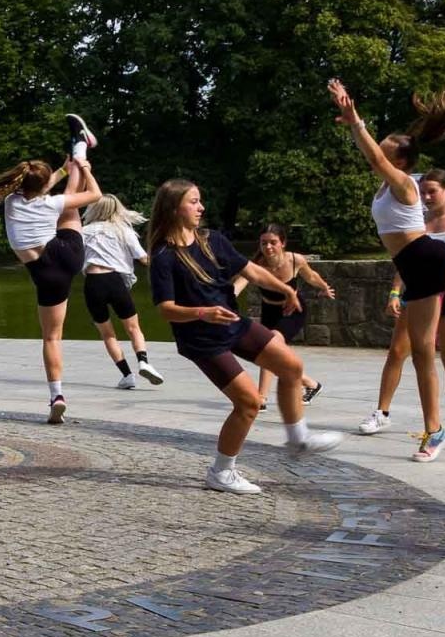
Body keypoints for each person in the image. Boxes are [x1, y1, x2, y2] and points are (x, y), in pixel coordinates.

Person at [147, 179, 342, 494]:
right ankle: (221, 472)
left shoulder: (213, 240)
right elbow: (166, 310)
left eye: (200, 200)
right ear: (173, 208)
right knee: (249, 403)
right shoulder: (163, 257)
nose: (201, 207)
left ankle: (298, 439)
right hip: (202, 340)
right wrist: (202, 312)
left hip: (233, 323)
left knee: (291, 366)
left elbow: (252, 271)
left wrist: (286, 289)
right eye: (193, 202)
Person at [330, 79, 445, 460]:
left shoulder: (404, 184)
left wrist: (356, 122)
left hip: (429, 258)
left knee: (427, 352)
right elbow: (374, 158)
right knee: (421, 353)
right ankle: (436, 430)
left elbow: (375, 158)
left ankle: (437, 429)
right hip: (414, 270)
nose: (376, 157)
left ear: (399, 162)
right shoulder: (387, 187)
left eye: (384, 153)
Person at [0, 115, 104, 423]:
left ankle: (57, 395)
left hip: (45, 273)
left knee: (51, 338)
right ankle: (81, 148)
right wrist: (81, 167)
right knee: (70, 206)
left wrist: (62, 170)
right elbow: (95, 196)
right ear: (42, 185)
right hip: (67, 253)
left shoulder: (11, 202)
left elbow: (40, 185)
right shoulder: (50, 203)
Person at [359, 171, 445, 435]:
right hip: (419, 287)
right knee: (398, 351)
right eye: (423, 192)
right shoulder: (417, 217)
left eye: (432, 191)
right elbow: (408, 259)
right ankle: (382, 412)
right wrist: (394, 292)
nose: (426, 197)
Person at [234, 224, 333, 409]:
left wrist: (324, 287)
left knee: (270, 343)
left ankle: (261, 398)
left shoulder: (295, 260)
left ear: (283, 243)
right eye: (264, 243)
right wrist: (226, 300)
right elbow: (239, 284)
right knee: (268, 351)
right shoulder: (255, 265)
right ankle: (310, 384)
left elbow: (311, 276)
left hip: (292, 310)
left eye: (273, 242)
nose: (268, 247)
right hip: (269, 311)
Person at [80, 194, 163, 390]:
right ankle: (143, 361)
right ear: (118, 209)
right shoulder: (123, 231)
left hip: (93, 283)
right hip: (115, 281)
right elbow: (143, 259)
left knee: (108, 334)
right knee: (133, 328)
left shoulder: (83, 232)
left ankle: (127, 375)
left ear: (93, 210)